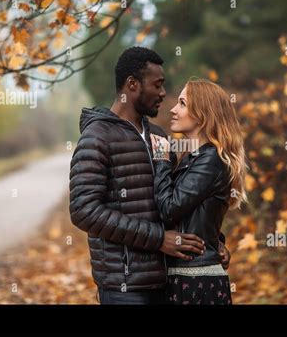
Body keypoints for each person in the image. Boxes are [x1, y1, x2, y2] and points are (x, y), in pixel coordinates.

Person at [69, 47, 230, 304]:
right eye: (157, 85)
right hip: (124, 287)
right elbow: (83, 210)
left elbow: (181, 199)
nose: (163, 93)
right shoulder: (97, 136)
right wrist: (157, 240)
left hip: (167, 281)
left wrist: (211, 242)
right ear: (132, 84)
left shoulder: (159, 136)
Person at [150, 78, 247, 305]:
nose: (173, 109)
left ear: (202, 114)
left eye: (182, 104)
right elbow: (197, 212)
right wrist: (216, 241)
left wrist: (162, 159)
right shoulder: (194, 158)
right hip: (186, 276)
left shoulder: (210, 160)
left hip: (197, 281)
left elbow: (169, 208)